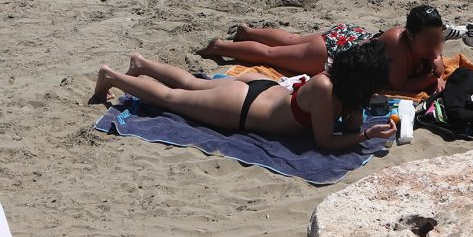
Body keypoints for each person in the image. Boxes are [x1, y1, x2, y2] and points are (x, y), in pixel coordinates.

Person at [87, 44, 394, 154]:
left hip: (260, 92)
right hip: (243, 108)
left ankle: (141, 64)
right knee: (170, 98)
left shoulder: (339, 85)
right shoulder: (325, 88)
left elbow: (350, 126)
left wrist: (358, 114)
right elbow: (325, 142)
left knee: (192, 83)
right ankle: (111, 77)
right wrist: (366, 135)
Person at [199, 6, 449, 96]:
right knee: (271, 55)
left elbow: (435, 55)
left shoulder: (427, 37)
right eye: (429, 40)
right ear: (411, 35)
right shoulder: (395, 43)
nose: (435, 44)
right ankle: (221, 46)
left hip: (351, 37)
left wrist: (436, 66)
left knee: (291, 40)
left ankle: (248, 31)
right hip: (332, 53)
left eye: (437, 38)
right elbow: (400, 85)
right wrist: (434, 75)